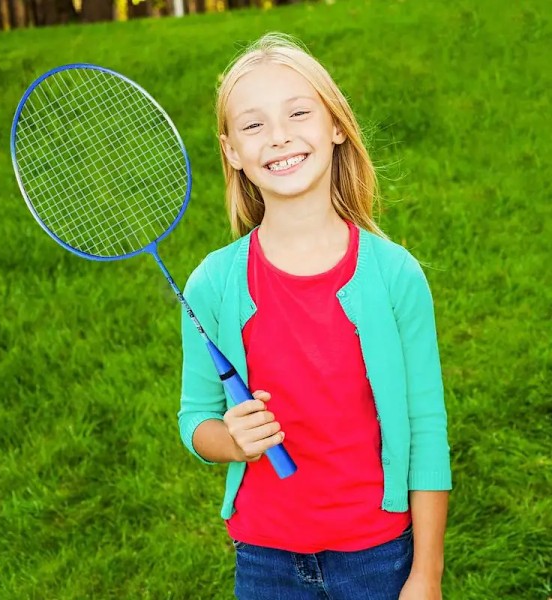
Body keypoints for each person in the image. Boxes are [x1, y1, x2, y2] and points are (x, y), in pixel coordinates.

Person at [178, 32, 452, 600]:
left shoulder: (396, 277)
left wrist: (426, 575)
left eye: (298, 112)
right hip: (264, 558)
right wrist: (231, 441)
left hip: (379, 555)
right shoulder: (213, 284)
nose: (278, 136)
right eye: (253, 125)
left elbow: (426, 432)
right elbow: (196, 421)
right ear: (232, 152)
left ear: (335, 126)